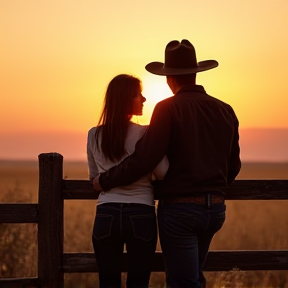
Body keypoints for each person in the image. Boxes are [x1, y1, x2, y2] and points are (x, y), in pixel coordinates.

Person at [93, 40, 241, 288]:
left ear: (169, 79)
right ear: (195, 74)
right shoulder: (225, 109)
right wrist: (213, 190)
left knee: (183, 281)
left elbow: (145, 159)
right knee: (195, 276)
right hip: (215, 210)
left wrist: (104, 180)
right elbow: (233, 165)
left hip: (180, 211)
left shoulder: (167, 108)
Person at [87, 74, 169, 288]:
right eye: (137, 95)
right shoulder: (145, 134)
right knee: (139, 283)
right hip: (140, 213)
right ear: (125, 99)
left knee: (107, 282)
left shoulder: (93, 135)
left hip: (106, 213)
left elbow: (94, 178)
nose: (143, 99)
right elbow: (162, 172)